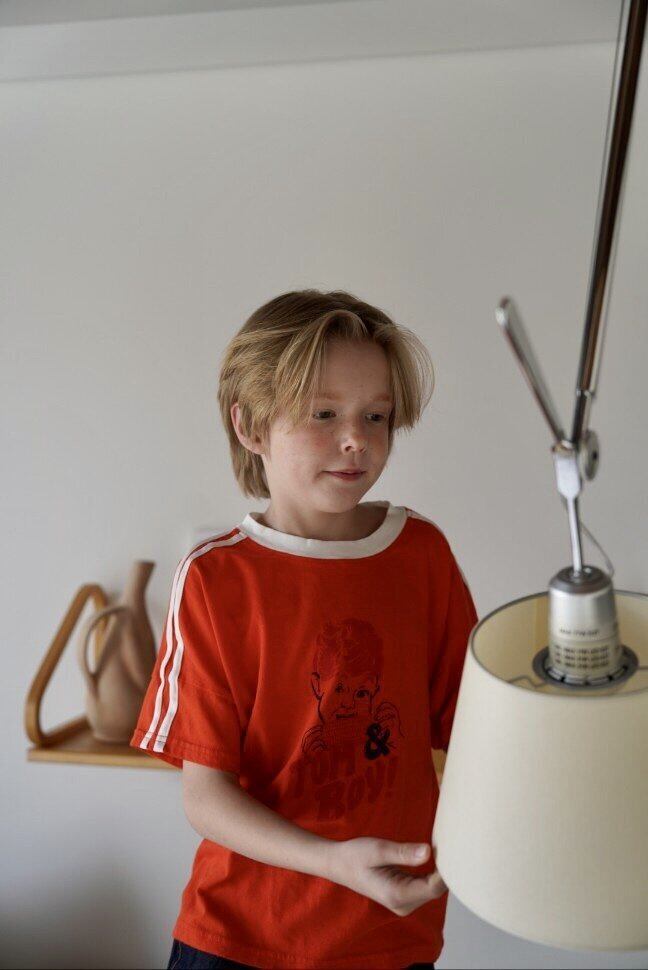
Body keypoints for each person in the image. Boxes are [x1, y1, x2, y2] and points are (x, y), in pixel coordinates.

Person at [130, 289, 479, 970]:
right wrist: (332, 862)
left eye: (376, 415)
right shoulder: (214, 578)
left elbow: (473, 733)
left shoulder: (422, 556)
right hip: (241, 939)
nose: (357, 439)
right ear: (250, 426)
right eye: (324, 414)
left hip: (391, 936)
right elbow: (205, 798)